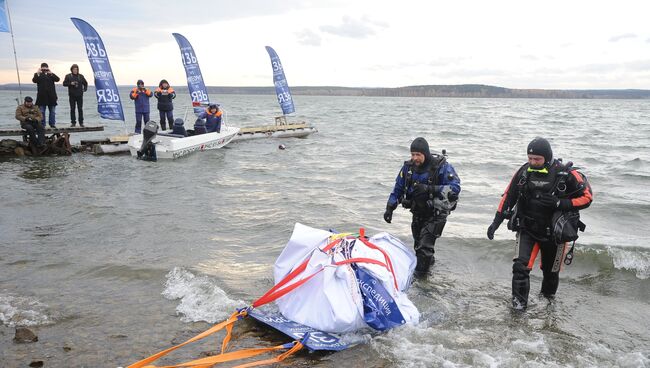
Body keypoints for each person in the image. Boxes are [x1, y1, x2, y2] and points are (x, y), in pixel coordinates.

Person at [486, 137, 593, 311]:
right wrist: (495, 222)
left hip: (555, 234)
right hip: (527, 228)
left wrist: (559, 203)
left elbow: (587, 198)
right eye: (530, 158)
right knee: (520, 267)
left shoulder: (565, 174)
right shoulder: (523, 172)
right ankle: (518, 309)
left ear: (547, 157)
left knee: (550, 274)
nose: (532, 162)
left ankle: (547, 307)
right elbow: (508, 196)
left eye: (537, 159)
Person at [384, 137, 461, 277]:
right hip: (418, 212)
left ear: (426, 153)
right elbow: (398, 189)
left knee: (424, 248)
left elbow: (455, 188)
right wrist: (390, 207)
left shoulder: (441, 167)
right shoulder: (408, 168)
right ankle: (430, 274)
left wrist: (429, 189)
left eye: (418, 155)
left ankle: (421, 282)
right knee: (419, 247)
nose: (415, 158)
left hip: (436, 213)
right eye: (412, 154)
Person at [32, 62, 60, 128]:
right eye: (43, 69)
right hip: (42, 97)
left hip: (51, 97)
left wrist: (51, 73)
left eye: (46, 69)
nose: (44, 70)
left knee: (52, 112)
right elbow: (34, 80)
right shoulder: (38, 75)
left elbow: (58, 79)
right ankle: (42, 124)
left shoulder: (51, 75)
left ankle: (52, 124)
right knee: (42, 112)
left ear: (48, 68)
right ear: (41, 69)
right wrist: (37, 73)